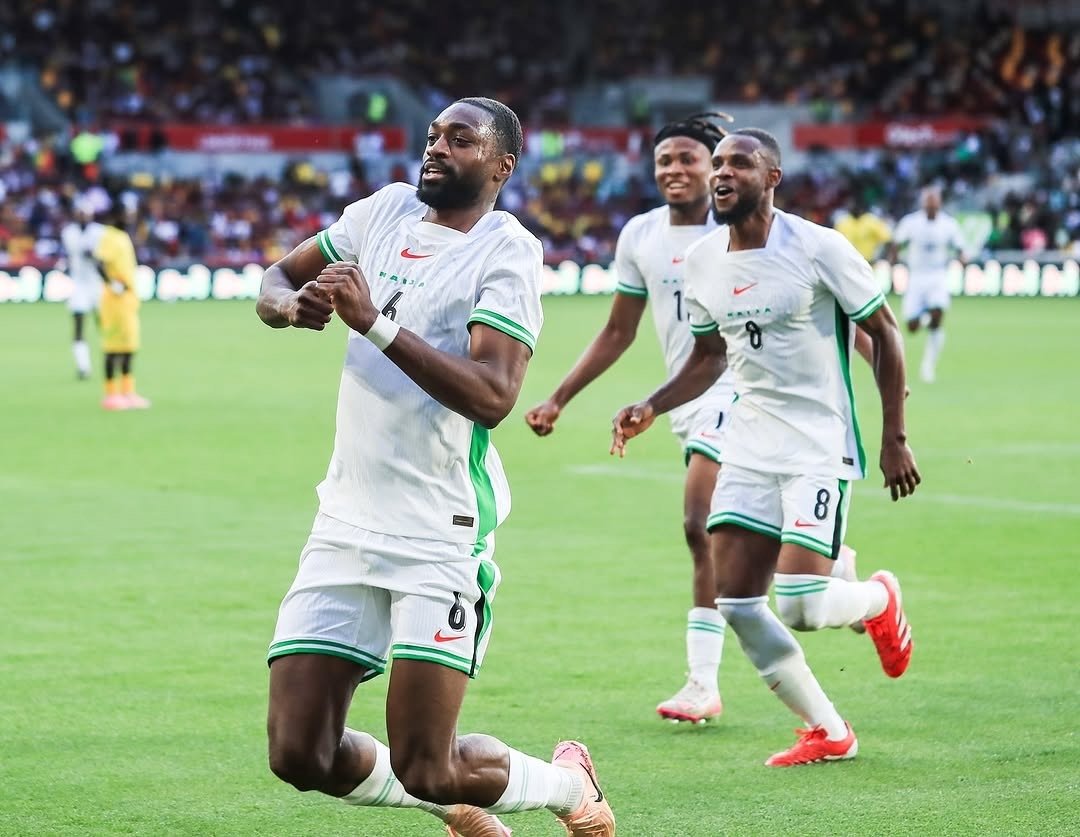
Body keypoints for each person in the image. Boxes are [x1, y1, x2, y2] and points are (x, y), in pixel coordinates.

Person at [257, 97, 615, 837]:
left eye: (460, 139)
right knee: (298, 752)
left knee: (430, 759)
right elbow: (273, 278)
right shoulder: (382, 212)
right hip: (345, 520)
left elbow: (494, 395)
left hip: (437, 529)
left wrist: (374, 324)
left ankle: (567, 782)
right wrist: (294, 307)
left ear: (500, 164)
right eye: (433, 136)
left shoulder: (506, 251)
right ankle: (452, 805)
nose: (437, 148)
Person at [526, 115, 865, 725]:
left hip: (742, 390)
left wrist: (869, 355)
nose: (676, 171)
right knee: (704, 537)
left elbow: (831, 305)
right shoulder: (640, 236)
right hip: (689, 393)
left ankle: (703, 681)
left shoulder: (743, 227)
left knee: (696, 518)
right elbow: (618, 330)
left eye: (690, 159)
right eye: (664, 161)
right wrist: (560, 397)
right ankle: (825, 567)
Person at [611, 128, 920, 767]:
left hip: (817, 444)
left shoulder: (817, 248)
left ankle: (879, 599)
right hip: (747, 442)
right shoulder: (702, 261)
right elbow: (708, 355)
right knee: (739, 603)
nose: (723, 173)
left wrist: (894, 436)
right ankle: (828, 730)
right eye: (717, 163)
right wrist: (653, 404)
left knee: (803, 606)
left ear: (771, 177)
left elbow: (885, 335)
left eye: (739, 164)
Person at [890, 186, 967, 383]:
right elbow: (897, 243)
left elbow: (959, 246)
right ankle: (925, 317)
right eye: (928, 202)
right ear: (924, 204)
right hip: (916, 277)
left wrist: (962, 258)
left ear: (939, 204)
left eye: (935, 202)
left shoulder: (948, 224)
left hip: (937, 276)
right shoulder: (911, 222)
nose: (932, 206)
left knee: (938, 312)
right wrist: (893, 259)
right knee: (912, 327)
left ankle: (928, 366)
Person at [95, 207, 150, 410]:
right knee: (112, 346)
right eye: (125, 213)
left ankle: (128, 392)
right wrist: (112, 284)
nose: (129, 217)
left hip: (128, 301)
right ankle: (110, 394)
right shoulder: (109, 236)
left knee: (129, 346)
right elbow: (99, 264)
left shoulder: (123, 236)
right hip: (113, 302)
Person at [60, 198, 104, 380]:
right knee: (78, 325)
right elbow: (78, 254)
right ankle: (83, 366)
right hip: (79, 283)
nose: (83, 216)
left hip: (97, 283)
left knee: (105, 324)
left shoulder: (99, 232)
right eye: (80, 213)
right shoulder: (69, 232)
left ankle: (112, 358)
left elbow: (100, 257)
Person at [835, 199, 892, 264]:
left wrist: (885, 259)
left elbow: (888, 240)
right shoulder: (843, 222)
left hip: (869, 262)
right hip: (847, 263)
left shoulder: (871, 220)